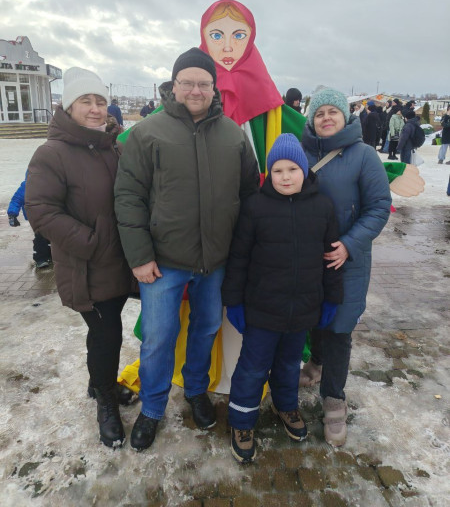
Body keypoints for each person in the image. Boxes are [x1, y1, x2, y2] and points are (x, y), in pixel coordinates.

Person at [114, 47, 260, 451]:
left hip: (216, 261)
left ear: (214, 88)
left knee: (206, 328)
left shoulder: (233, 134)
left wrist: (243, 252)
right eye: (188, 82)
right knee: (158, 337)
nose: (196, 90)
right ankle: (152, 407)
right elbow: (128, 196)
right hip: (163, 262)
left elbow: (249, 195)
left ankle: (196, 389)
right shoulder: (148, 133)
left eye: (204, 83)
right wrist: (140, 256)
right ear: (173, 85)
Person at [25, 67, 134, 449]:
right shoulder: (52, 153)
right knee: (106, 334)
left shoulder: (112, 148)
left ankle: (97, 383)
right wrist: (90, 242)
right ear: (68, 107)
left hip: (117, 263)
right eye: (85, 101)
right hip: (87, 265)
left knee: (106, 330)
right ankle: (105, 400)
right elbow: (40, 210)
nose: (95, 108)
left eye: (100, 101)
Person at [222, 134, 343, 463]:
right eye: (277, 170)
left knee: (289, 364)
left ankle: (285, 405)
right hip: (262, 310)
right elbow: (239, 259)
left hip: (303, 309)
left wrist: (331, 299)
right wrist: (234, 302)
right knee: (253, 367)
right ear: (269, 174)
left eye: (292, 169)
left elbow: (331, 260)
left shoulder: (322, 207)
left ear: (304, 171)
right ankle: (242, 421)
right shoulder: (255, 207)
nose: (285, 177)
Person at [300, 87, 391, 446]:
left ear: (345, 116)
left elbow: (379, 206)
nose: (326, 118)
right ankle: (316, 361)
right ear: (311, 119)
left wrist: (349, 245)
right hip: (306, 259)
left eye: (332, 112)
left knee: (339, 328)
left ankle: (334, 399)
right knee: (312, 317)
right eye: (319, 113)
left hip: (346, 260)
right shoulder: (300, 151)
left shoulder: (363, 155)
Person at [7, 176, 52, 268]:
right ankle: (40, 259)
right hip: (34, 216)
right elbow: (16, 200)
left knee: (50, 236)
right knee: (40, 236)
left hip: (49, 215)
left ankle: (50, 255)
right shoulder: (26, 185)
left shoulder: (50, 183)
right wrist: (12, 214)